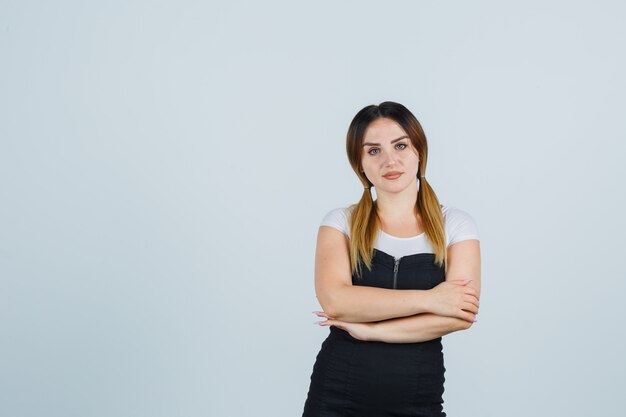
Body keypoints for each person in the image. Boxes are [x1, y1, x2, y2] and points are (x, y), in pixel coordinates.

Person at [301, 101, 481, 417]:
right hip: (337, 395)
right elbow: (336, 301)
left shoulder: (456, 224)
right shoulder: (339, 222)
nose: (390, 160)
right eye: (373, 151)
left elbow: (460, 314)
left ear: (419, 151)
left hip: (417, 397)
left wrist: (372, 330)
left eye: (400, 145)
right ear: (360, 164)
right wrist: (432, 299)